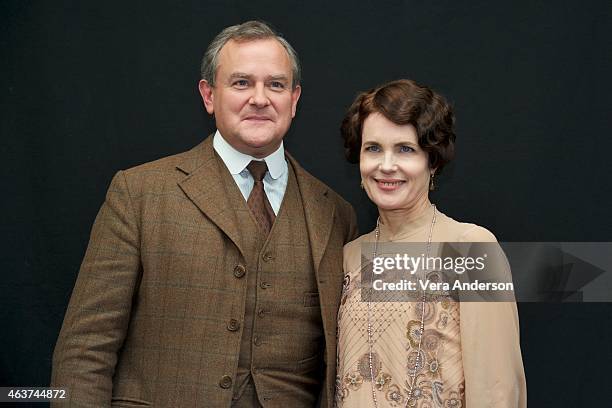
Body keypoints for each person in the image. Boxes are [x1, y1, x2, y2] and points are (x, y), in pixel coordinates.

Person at [51, 21, 357, 407]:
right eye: (241, 83)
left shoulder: (334, 213)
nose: (260, 98)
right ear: (209, 95)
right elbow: (85, 349)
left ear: (294, 100)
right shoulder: (140, 193)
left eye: (275, 85)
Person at [335, 79, 526, 407]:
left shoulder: (470, 247)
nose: (386, 165)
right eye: (373, 148)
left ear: (432, 160)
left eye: (405, 149)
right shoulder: (350, 256)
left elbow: (497, 388)